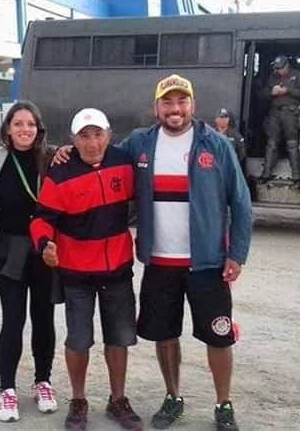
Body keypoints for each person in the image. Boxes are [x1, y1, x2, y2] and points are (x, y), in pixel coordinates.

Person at [53, 75, 253, 431]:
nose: (175, 110)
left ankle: (224, 404)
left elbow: (240, 202)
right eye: (167, 103)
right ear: (156, 107)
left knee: (218, 335)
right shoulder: (141, 144)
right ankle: (172, 396)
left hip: (207, 263)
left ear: (192, 105)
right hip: (160, 262)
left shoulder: (216, 144)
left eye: (182, 102)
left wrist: (236, 254)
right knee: (165, 333)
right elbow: (99, 150)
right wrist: (63, 152)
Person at [31, 108, 142, 431]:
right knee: (78, 340)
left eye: (98, 134)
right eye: (84, 136)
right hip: (76, 272)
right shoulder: (61, 173)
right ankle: (78, 400)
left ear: (109, 135)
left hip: (118, 268)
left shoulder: (125, 162)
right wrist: (43, 245)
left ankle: (117, 399)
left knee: (119, 338)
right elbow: (42, 218)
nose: (92, 142)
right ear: (72, 140)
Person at [0, 101, 57, 422]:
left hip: (45, 249)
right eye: (18, 124)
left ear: (38, 128)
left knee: (44, 317)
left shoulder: (53, 159)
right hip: (10, 248)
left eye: (30, 124)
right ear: (8, 129)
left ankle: (43, 381)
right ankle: (8, 390)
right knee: (13, 319)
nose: (25, 129)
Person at [258, 55, 300, 188]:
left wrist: (288, 90)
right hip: (274, 112)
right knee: (271, 144)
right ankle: (266, 174)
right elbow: (262, 94)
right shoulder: (272, 77)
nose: (278, 70)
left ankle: (296, 177)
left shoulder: (296, 75)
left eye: (280, 68)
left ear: (287, 66)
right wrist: (271, 93)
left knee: (292, 145)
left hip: (291, 113)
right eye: (276, 68)